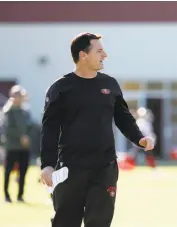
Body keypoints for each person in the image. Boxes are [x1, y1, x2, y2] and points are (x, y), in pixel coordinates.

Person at [40, 32, 154, 227]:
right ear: (83, 55)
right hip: (70, 168)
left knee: (99, 222)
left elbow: (123, 118)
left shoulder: (109, 84)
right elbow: (49, 128)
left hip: (104, 167)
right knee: (65, 222)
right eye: (99, 50)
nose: (105, 55)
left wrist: (140, 138)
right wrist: (47, 164)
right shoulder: (60, 88)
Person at [3, 85, 31, 203]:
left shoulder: (24, 111)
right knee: (8, 171)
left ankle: (20, 195)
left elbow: (29, 126)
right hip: (12, 146)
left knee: (23, 171)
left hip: (24, 147)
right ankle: (7, 195)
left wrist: (27, 137)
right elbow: (8, 129)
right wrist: (21, 136)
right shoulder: (8, 111)